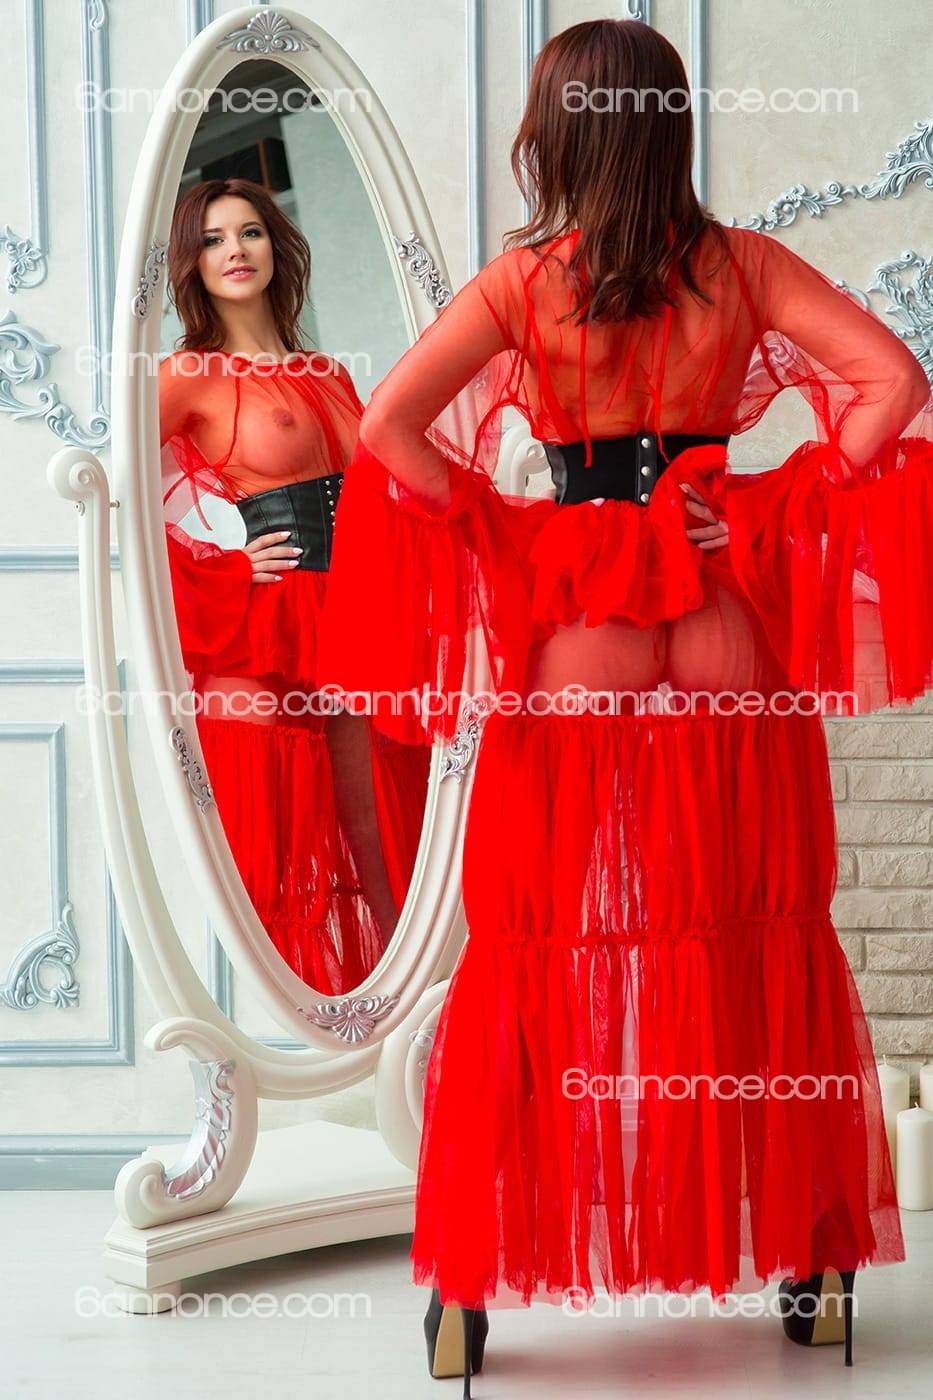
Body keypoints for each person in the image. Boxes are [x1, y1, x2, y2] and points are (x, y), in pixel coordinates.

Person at [317, 19, 932, 1390]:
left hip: (581, 625)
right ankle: (815, 1261)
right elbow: (895, 384)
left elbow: (388, 429)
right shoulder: (744, 268)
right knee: (758, 933)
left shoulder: (524, 284)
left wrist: (511, 529)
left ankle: (468, 1290)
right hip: (720, 627)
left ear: (556, 135)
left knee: (535, 947)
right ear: (670, 128)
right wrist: (765, 504)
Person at [158, 177, 431, 994]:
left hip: (358, 617)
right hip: (272, 631)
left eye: (249, 231)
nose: (234, 251)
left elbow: (388, 492)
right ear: (191, 263)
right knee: (278, 859)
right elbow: (114, 505)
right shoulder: (187, 374)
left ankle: (404, 1018)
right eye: (212, 239)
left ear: (277, 245)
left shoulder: (328, 372)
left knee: (382, 839)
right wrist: (229, 569)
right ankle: (302, 1032)